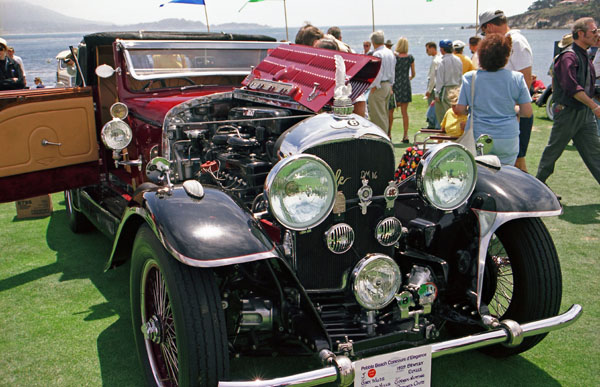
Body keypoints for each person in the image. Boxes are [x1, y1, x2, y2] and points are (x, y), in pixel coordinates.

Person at [536, 18, 600, 185]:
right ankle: (536, 188)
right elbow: (572, 88)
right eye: (594, 31)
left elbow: (588, 86)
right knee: (552, 153)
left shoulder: (584, 54)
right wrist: (594, 106)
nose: (597, 34)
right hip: (568, 112)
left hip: (584, 113)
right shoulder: (568, 57)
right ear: (581, 34)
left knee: (596, 154)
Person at [455, 33, 532, 165]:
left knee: (480, 176)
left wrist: (472, 110)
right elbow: (527, 112)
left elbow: (460, 109)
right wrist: (514, 109)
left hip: (479, 136)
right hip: (507, 136)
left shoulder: (470, 78)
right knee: (506, 176)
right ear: (506, 56)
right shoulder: (517, 78)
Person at [479, 9, 533, 172]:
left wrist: (513, 109)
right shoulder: (509, 41)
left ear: (489, 27)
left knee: (517, 162)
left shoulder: (515, 42)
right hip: (506, 113)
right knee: (513, 162)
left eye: (484, 33)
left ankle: (530, 193)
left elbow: (526, 79)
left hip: (514, 113)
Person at [367, 30, 396, 134]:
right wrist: (391, 84)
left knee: (377, 116)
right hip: (388, 84)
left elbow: (378, 72)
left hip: (379, 85)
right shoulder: (389, 52)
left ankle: (381, 137)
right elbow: (393, 70)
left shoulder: (378, 53)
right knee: (383, 114)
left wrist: (374, 85)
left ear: (373, 41)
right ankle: (385, 135)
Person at [391, 37, 415, 143]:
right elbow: (413, 73)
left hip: (396, 84)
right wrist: (408, 78)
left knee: (390, 111)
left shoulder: (394, 57)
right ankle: (405, 135)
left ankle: (388, 134)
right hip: (405, 85)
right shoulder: (410, 58)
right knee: (404, 113)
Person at [434, 39, 462, 126]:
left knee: (444, 114)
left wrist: (437, 93)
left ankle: (446, 132)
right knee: (455, 113)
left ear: (442, 49)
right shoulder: (458, 59)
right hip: (457, 88)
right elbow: (460, 76)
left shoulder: (442, 61)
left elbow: (440, 79)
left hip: (446, 89)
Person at [425, 42, 442, 129]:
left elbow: (432, 77)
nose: (426, 51)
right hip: (438, 85)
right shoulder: (439, 58)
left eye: (427, 49)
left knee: (432, 106)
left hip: (434, 85)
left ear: (432, 48)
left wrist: (429, 90)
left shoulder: (435, 61)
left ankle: (432, 123)